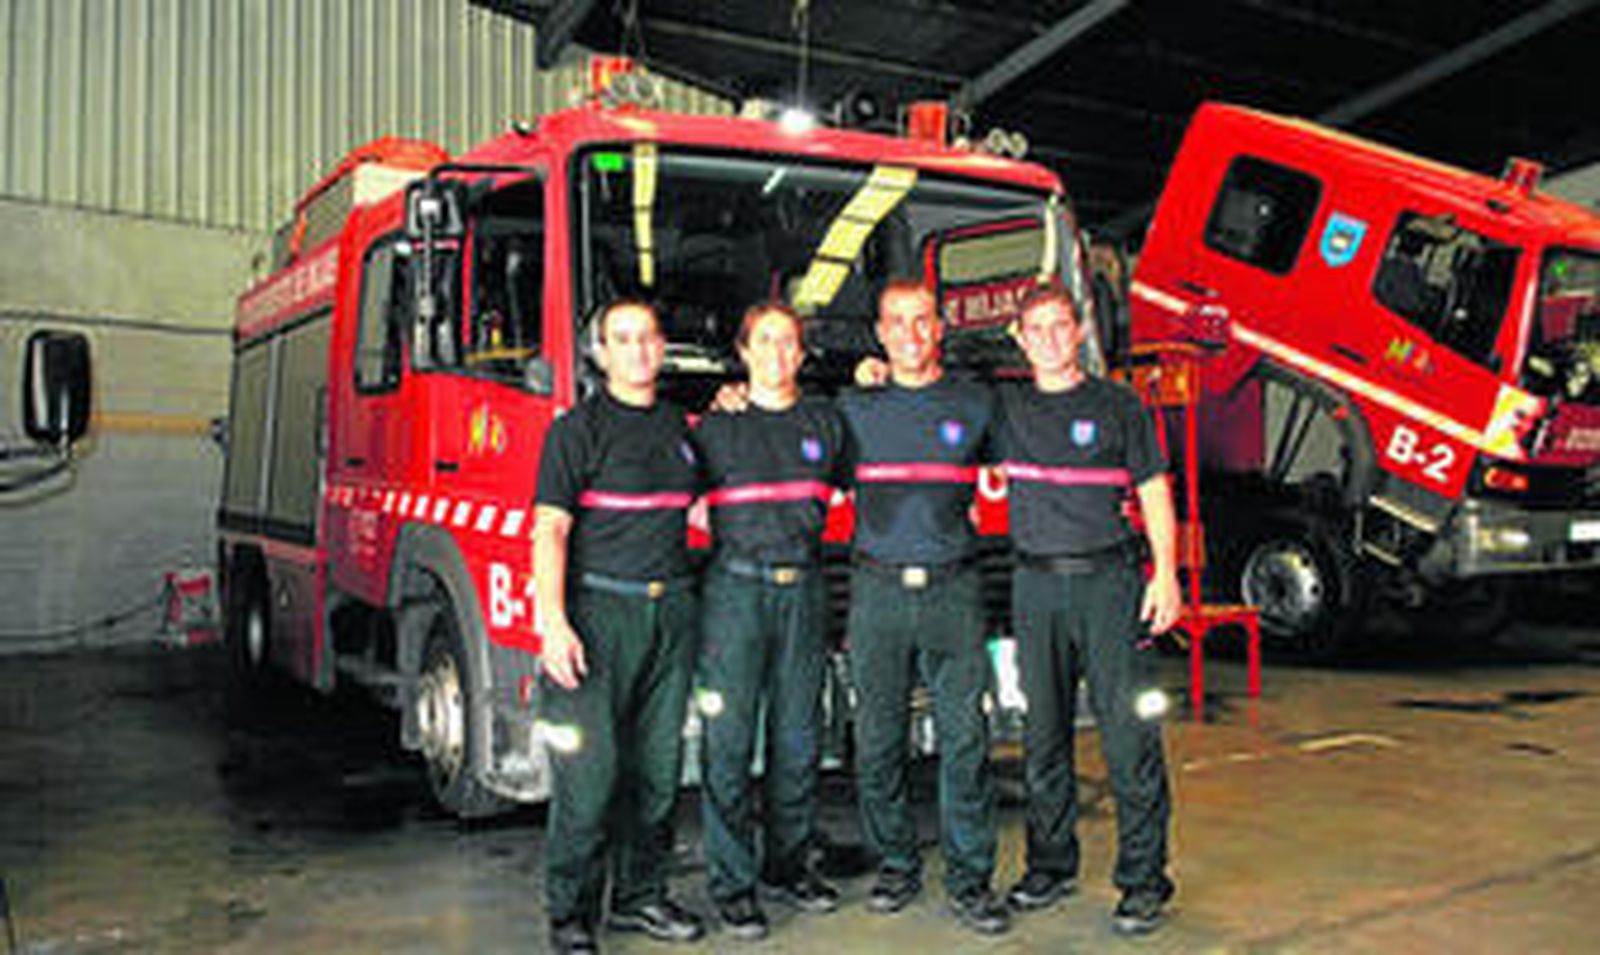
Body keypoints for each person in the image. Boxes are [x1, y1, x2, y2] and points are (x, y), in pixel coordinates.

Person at [996, 286, 1182, 935]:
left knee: (1129, 736)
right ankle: (1049, 864)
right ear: (1018, 338)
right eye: (1035, 328)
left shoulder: (1119, 404)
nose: (1048, 338)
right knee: (1042, 734)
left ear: (1080, 330)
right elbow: (923, 398)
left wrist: (1167, 574)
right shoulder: (1004, 407)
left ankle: (1143, 878)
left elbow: (1155, 488)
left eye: (1059, 325)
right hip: (1035, 588)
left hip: (1110, 583)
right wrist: (869, 373)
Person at [838, 279, 1011, 936]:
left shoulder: (976, 405)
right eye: (896, 322)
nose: (909, 334)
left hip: (954, 591)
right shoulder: (852, 407)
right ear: (879, 333)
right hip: (875, 591)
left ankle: (970, 880)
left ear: (939, 328)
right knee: (877, 739)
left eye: (922, 321)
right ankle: (895, 866)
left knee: (965, 740)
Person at [531, 299, 704, 955]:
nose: (636, 350)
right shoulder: (576, 431)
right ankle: (570, 911)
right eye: (621, 339)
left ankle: (640, 896)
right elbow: (550, 528)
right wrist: (554, 623)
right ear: (599, 353)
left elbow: (702, 512)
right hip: (598, 617)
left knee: (659, 770)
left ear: (663, 347)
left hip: (671, 614)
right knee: (591, 775)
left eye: (647, 337)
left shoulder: (681, 429)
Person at [694, 302, 846, 939]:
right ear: (744, 351)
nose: (779, 353)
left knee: (798, 739)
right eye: (766, 342)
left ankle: (788, 866)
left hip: (804, 591)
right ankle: (733, 884)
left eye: (789, 343)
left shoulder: (827, 424)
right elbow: (684, 510)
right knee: (729, 742)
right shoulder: (711, 429)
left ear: (802, 354)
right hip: (735, 594)